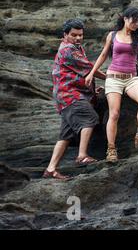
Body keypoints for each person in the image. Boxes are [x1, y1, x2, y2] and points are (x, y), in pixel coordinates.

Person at [85, 7, 138, 163]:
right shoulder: (112, 35)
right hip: (113, 78)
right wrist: (92, 72)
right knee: (114, 114)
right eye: (134, 21)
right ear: (125, 19)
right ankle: (111, 149)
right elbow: (103, 54)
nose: (136, 24)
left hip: (131, 78)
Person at [44, 19, 106, 180]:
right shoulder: (68, 50)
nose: (78, 38)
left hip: (67, 96)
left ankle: (51, 169)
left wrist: (92, 91)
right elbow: (89, 69)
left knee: (66, 134)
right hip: (70, 95)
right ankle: (82, 156)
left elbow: (79, 73)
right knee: (90, 118)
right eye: (74, 35)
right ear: (65, 35)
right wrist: (111, 79)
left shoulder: (75, 47)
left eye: (80, 35)